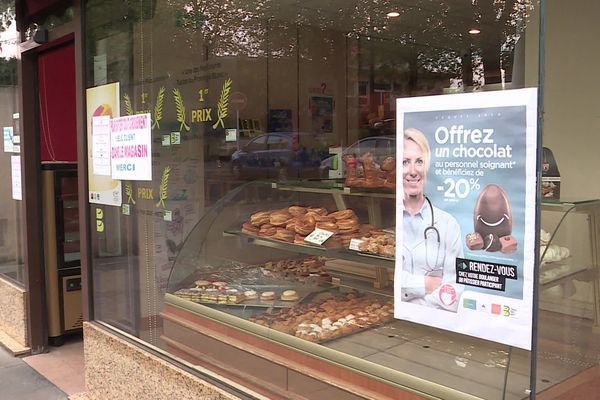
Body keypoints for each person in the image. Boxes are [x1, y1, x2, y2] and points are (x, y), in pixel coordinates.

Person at [401, 128, 464, 311]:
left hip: (434, 321)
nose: (413, 171)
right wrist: (424, 285)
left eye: (419, 161)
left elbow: (454, 288)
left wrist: (412, 302)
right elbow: (388, 280)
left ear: (427, 166)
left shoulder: (448, 224)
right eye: (405, 162)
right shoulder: (388, 222)